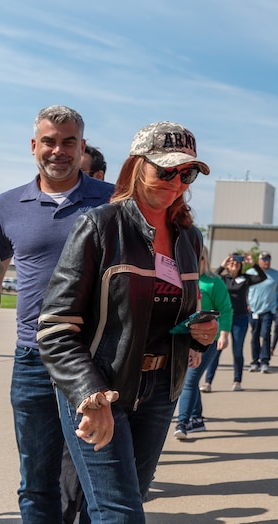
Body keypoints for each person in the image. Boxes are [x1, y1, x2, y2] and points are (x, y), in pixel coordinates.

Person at [37, 121, 218, 522]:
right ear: (137, 166)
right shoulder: (100, 226)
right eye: (165, 170)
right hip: (103, 386)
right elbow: (54, 327)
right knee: (120, 513)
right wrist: (89, 393)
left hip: (159, 391)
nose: (176, 182)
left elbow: (177, 315)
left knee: (123, 501)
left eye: (186, 173)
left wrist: (200, 334)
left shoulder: (189, 238)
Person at [0, 105, 114, 523]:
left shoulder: (113, 201)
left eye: (68, 142)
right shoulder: (6, 206)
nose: (58, 150)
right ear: (34, 146)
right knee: (37, 479)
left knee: (98, 478)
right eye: (49, 141)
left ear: (81, 147)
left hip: (94, 357)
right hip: (32, 358)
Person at [175, 246, 232, 439]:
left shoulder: (213, 282)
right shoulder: (179, 278)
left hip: (207, 340)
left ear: (204, 259)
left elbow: (225, 309)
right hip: (183, 338)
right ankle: (197, 419)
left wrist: (224, 334)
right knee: (190, 380)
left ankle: (182, 423)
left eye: (198, 258)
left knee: (189, 381)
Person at [214, 252, 266, 390]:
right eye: (231, 262)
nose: (234, 264)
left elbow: (262, 277)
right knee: (216, 350)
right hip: (224, 317)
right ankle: (208, 382)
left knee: (237, 350)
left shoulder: (246, 278)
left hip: (240, 317)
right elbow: (212, 277)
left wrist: (253, 264)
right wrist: (222, 264)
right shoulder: (222, 279)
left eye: (237, 262)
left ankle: (237, 381)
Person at [247, 252, 278, 373]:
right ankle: (255, 361)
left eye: (268, 259)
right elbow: (244, 291)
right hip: (253, 310)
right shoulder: (251, 273)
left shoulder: (275, 274)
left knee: (266, 334)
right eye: (264, 259)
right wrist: (246, 303)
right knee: (255, 335)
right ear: (259, 261)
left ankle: (265, 361)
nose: (266, 261)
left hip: (268, 310)